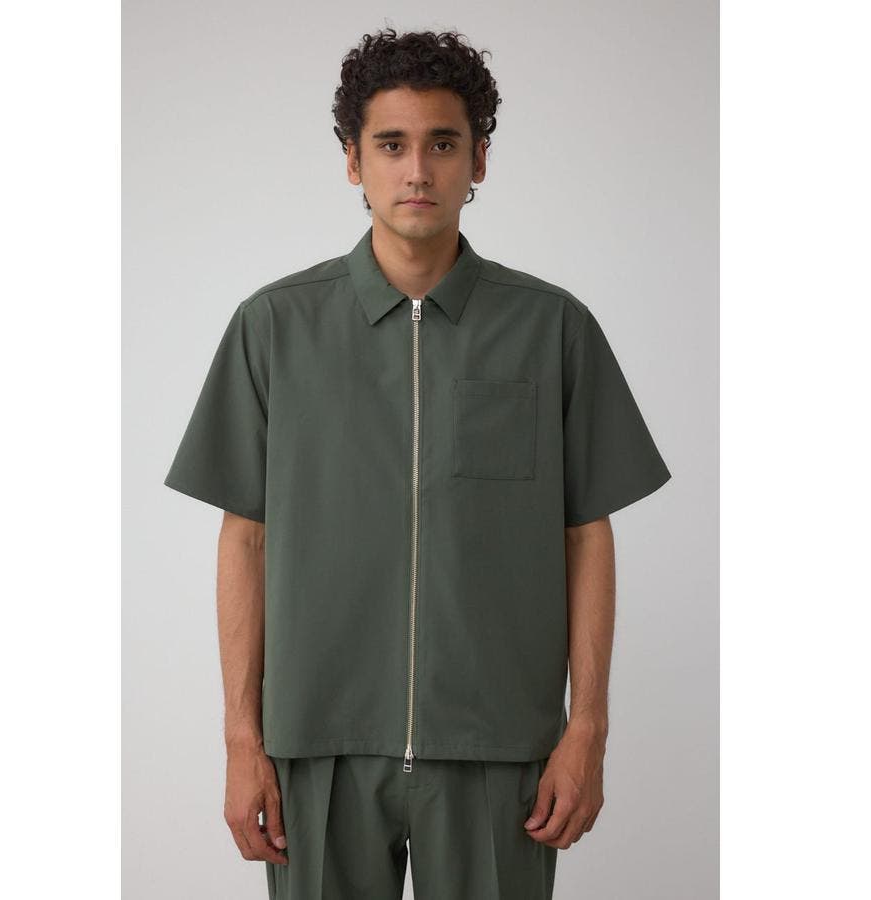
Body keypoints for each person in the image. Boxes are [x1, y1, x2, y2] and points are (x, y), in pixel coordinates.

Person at [163, 26, 672, 900]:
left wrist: (587, 727)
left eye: (443, 144)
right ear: (352, 162)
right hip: (317, 747)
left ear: (480, 160)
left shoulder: (552, 329)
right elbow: (244, 538)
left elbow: (586, 535)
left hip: (499, 749)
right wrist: (242, 740)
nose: (418, 171)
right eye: (391, 145)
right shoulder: (274, 328)